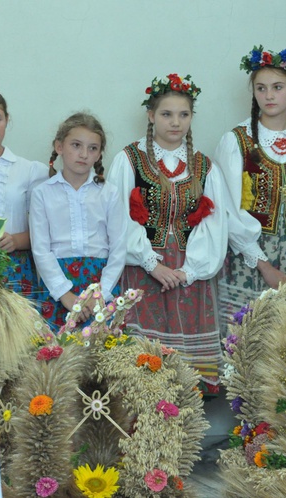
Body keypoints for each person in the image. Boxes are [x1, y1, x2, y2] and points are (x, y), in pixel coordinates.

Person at [107, 73, 230, 394]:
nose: (176, 122)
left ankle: (183, 437)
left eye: (183, 114)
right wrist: (152, 264)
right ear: (151, 116)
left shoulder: (204, 166)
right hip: (143, 275)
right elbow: (118, 217)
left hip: (190, 279)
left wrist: (189, 271)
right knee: (144, 373)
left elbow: (215, 225)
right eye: (166, 114)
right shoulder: (129, 159)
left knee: (187, 380)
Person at [214, 46, 286, 330]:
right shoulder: (236, 141)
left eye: (278, 87)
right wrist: (264, 266)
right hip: (249, 259)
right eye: (261, 88)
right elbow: (227, 210)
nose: (269, 95)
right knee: (247, 343)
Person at [30, 112, 125, 330]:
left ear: (99, 154)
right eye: (76, 145)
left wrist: (100, 295)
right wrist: (65, 294)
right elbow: (41, 250)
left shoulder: (109, 193)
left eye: (92, 148)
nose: (84, 154)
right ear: (59, 146)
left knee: (104, 353)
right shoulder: (42, 193)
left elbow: (119, 249)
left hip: (101, 284)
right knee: (59, 355)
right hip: (58, 285)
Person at [0, 91, 48, 298]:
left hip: (15, 270)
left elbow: (47, 231)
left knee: (16, 330)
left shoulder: (30, 171)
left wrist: (16, 241)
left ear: (7, 120)